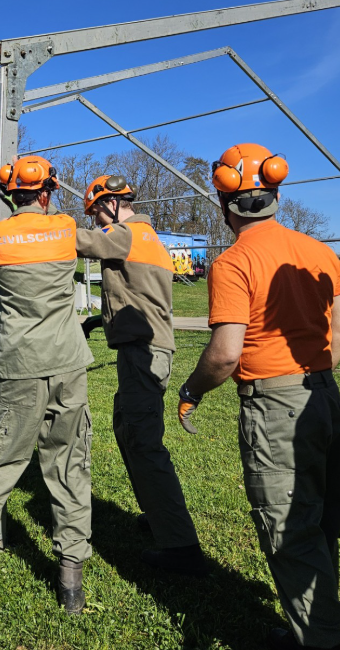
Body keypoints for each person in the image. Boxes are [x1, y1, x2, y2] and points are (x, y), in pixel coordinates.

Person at [177, 143, 340, 650]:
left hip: (275, 407)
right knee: (320, 522)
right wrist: (309, 377)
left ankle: (321, 639)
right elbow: (337, 333)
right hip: (324, 396)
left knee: (291, 532)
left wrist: (190, 390)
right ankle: (312, 626)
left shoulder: (232, 262)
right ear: (277, 192)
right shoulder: (320, 253)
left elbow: (226, 354)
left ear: (224, 203)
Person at [0, 156, 94, 614]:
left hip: (18, 368)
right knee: (69, 465)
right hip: (69, 365)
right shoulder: (67, 230)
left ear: (11, 196)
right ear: (48, 192)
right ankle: (71, 581)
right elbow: (103, 247)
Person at [75, 175, 206, 576]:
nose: (96, 220)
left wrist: (39, 225)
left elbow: (81, 242)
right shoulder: (150, 238)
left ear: (113, 204)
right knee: (127, 429)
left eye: (97, 211)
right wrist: (101, 319)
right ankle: (158, 513)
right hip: (149, 349)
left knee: (143, 442)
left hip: (143, 355)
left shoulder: (123, 233)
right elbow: (140, 297)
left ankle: (181, 547)